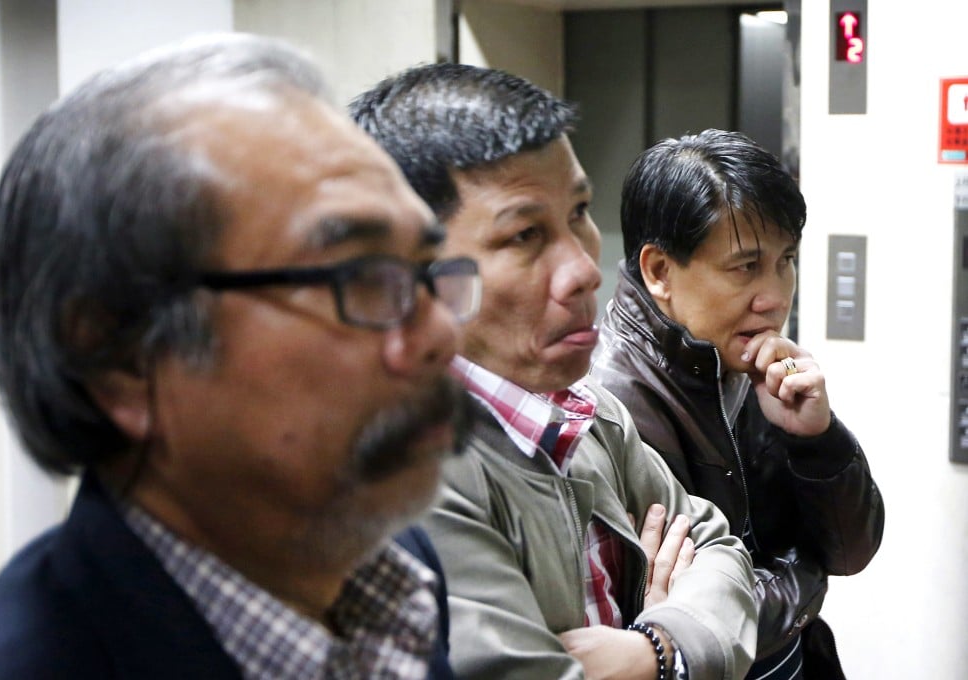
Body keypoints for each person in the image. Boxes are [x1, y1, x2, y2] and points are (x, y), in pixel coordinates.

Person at [0, 33, 484, 679]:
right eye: (359, 276)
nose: (440, 335)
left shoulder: (394, 572)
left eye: (429, 271)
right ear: (121, 356)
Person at [352, 64, 757, 680]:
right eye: (524, 235)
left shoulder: (586, 413)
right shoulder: (410, 467)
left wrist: (656, 648)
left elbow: (720, 549)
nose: (585, 267)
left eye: (579, 212)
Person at [590, 129, 885, 679]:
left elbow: (849, 550)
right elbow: (700, 623)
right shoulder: (611, 402)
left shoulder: (748, 363)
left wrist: (816, 438)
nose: (775, 296)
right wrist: (807, 576)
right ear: (659, 272)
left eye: (786, 260)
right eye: (745, 267)